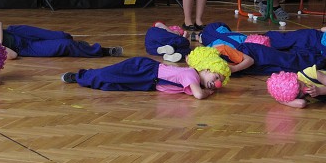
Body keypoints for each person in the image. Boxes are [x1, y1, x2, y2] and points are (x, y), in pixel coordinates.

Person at [61, 46, 231, 100]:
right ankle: (79, 76)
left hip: (148, 82)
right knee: (109, 74)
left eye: (219, 83)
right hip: (144, 69)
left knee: (112, 84)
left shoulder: (194, 79)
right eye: (216, 77)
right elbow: (199, 96)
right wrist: (208, 92)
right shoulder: (191, 75)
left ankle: (89, 79)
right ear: (206, 69)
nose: (216, 83)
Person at [0, 21, 123, 60]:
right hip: (26, 48)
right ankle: (103, 51)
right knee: (65, 45)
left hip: (18, 31)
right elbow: (13, 55)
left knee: (64, 36)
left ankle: (81, 47)